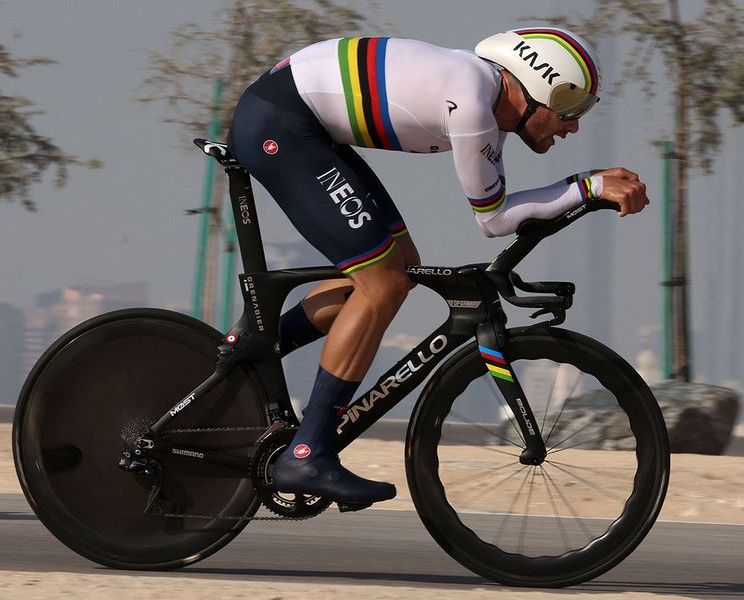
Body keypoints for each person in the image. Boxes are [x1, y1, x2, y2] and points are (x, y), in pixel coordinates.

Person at [226, 27, 649, 509]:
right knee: (381, 284)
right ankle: (306, 452)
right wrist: (586, 188)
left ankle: (253, 355)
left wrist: (584, 189)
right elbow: (495, 220)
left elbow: (501, 211)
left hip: (294, 120)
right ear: (540, 86)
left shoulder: (480, 96)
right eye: (570, 110)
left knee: (401, 270)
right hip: (281, 123)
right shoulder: (471, 104)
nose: (572, 127)